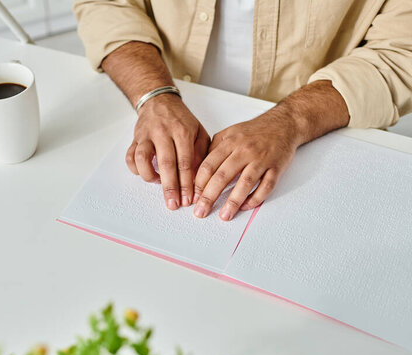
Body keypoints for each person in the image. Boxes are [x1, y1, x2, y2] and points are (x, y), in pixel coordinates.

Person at [73, 0, 412, 220]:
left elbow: (402, 51)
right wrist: (154, 94)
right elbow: (106, 4)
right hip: (161, 93)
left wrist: (291, 120)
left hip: (318, 132)